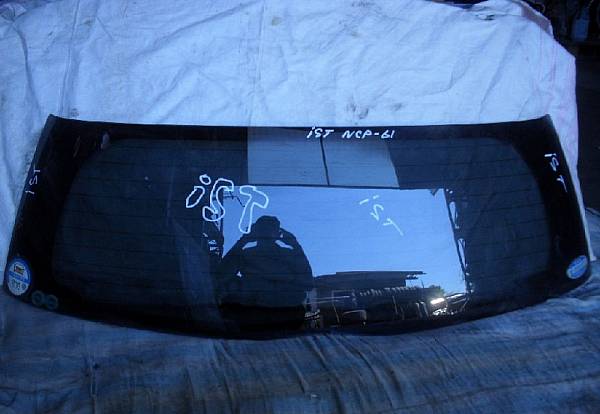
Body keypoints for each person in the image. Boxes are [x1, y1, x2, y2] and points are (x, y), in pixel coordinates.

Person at [215, 215, 313, 331]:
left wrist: (296, 246)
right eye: (263, 229)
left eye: (270, 229)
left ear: (278, 234)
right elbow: (221, 276)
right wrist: (243, 241)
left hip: (286, 317)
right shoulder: (245, 255)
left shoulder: (289, 255)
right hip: (251, 317)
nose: (266, 233)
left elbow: (308, 283)